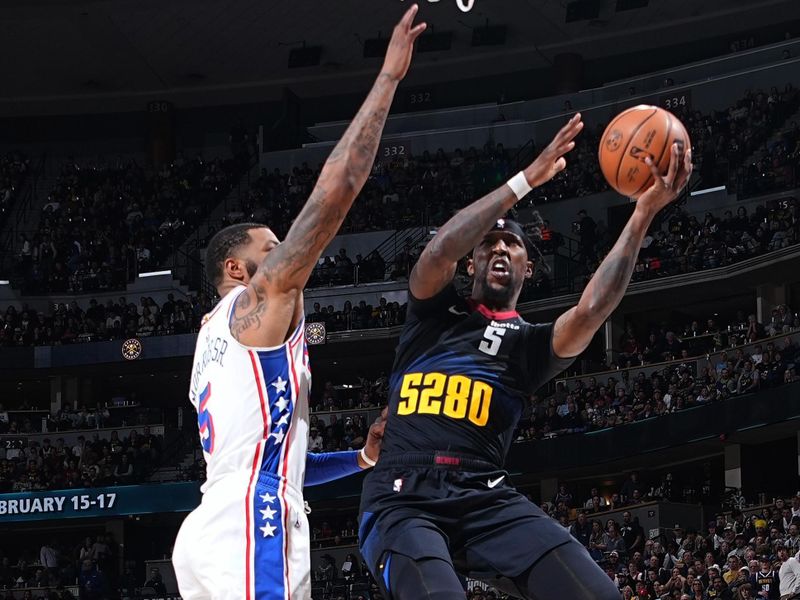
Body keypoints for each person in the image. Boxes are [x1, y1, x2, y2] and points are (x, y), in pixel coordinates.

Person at [357, 110, 692, 600]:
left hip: (483, 494)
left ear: (528, 267)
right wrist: (526, 179)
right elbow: (435, 254)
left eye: (510, 243)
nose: (498, 249)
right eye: (487, 243)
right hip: (401, 496)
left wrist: (642, 213)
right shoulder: (434, 314)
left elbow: (592, 309)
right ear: (470, 260)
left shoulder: (528, 345)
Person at [172, 7, 427, 600]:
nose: (287, 252)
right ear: (237, 269)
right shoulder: (257, 302)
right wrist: (387, 79)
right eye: (273, 247)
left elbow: (279, 462)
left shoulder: (210, 341)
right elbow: (337, 190)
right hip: (251, 524)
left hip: (216, 525)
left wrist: (361, 458)